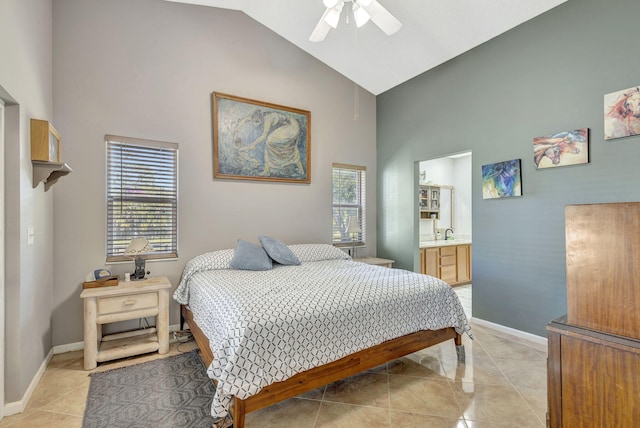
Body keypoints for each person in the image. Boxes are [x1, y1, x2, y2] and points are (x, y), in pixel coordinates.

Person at [235, 109, 304, 176]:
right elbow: (245, 119)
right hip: (288, 125)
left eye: (257, 121)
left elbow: (263, 136)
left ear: (261, 118)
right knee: (287, 148)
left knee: (270, 141)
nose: (255, 123)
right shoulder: (256, 115)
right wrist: (237, 128)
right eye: (254, 121)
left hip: (291, 127)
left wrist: (252, 145)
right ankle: (301, 170)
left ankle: (267, 171)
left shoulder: (268, 118)